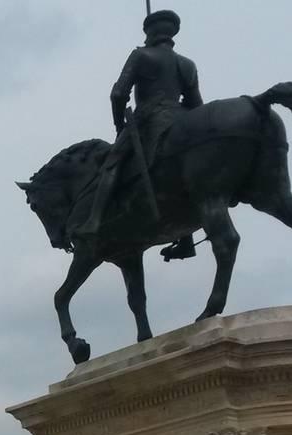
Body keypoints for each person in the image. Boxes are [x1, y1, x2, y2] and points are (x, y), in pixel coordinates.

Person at [78, 7, 201, 262]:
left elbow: (118, 93)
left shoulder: (141, 55)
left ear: (150, 33)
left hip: (149, 118)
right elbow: (196, 104)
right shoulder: (187, 64)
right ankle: (186, 240)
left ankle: (93, 221)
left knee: (112, 163)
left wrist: (119, 125)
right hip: (181, 118)